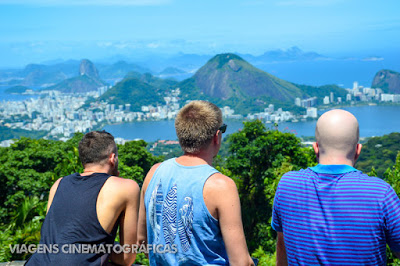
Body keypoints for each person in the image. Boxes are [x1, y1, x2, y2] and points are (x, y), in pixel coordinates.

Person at [271, 109, 400, 265]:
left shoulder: (287, 186)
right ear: (358, 150)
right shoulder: (381, 193)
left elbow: (282, 247)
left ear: (315, 148)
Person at [137, 100, 254, 266]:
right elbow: (241, 262)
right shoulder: (221, 186)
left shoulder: (154, 173)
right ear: (217, 136)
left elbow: (142, 241)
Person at [26, 131, 140, 266]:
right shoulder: (126, 187)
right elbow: (127, 258)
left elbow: (58, 238)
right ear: (112, 158)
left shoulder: (59, 184)